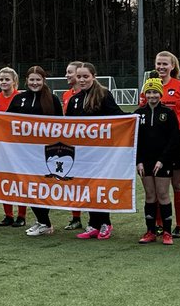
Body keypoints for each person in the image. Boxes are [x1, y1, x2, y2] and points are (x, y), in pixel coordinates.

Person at [65, 62, 124, 239]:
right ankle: (93, 224)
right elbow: (68, 126)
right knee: (86, 187)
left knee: (100, 187)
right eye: (79, 77)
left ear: (93, 76)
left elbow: (118, 116)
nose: (82, 80)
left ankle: (105, 223)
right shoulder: (74, 99)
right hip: (82, 153)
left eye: (86, 76)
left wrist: (136, 117)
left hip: (101, 152)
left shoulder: (103, 95)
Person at [8, 66, 63, 236]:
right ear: (26, 81)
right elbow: (6, 120)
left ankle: (44, 222)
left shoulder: (52, 99)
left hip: (46, 153)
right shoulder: (19, 99)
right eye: (32, 80)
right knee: (29, 187)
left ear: (43, 81)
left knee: (42, 188)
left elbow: (62, 125)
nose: (35, 83)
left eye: (38, 80)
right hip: (24, 154)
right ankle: (43, 222)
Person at [152, 51, 180, 237]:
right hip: (156, 143)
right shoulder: (150, 86)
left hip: (176, 141)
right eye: (158, 63)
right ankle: (159, 223)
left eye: (165, 64)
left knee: (177, 184)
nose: (161, 67)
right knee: (159, 185)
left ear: (172, 66)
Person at [134, 79, 179, 246]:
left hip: (163, 161)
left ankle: (167, 232)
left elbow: (173, 140)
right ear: (145, 94)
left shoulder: (168, 113)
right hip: (145, 161)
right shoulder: (139, 113)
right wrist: (138, 161)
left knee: (163, 194)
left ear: (161, 94)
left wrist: (162, 160)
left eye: (155, 92)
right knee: (150, 195)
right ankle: (150, 231)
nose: (152, 96)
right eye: (149, 92)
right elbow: (134, 140)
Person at [0, 67, 26, 227]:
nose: (3, 82)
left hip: (19, 146)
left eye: (7, 79)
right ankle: (8, 214)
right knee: (5, 178)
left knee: (19, 180)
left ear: (14, 81)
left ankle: (22, 215)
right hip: (2, 146)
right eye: (1, 79)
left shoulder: (21, 98)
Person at [60, 61, 85, 231]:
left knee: (89, 183)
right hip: (71, 144)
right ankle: (75, 217)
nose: (67, 75)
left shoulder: (91, 93)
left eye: (70, 72)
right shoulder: (66, 95)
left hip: (89, 145)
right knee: (72, 182)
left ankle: (99, 220)